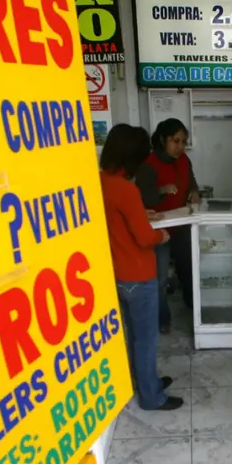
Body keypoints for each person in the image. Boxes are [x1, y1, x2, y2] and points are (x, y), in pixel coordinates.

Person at [99, 124, 183, 411]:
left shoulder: (101, 181)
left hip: (117, 274)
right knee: (146, 340)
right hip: (139, 275)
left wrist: (140, 212)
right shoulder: (126, 188)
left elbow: (117, 217)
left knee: (134, 336)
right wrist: (162, 235)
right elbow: (145, 237)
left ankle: (146, 383)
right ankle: (151, 397)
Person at [136, 118, 200, 334]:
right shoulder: (148, 165)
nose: (180, 147)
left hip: (182, 225)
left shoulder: (183, 160)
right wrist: (162, 190)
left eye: (183, 141)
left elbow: (192, 183)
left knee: (190, 268)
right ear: (163, 140)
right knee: (160, 278)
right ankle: (162, 319)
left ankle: (194, 308)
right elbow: (142, 200)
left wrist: (194, 192)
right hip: (159, 230)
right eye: (175, 141)